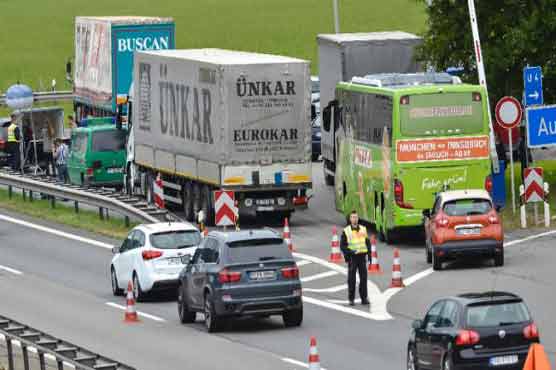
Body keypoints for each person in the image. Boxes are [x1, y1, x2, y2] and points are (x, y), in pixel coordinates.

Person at [340, 210, 372, 306]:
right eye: (353, 217)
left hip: (362, 257)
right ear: (350, 219)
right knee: (352, 279)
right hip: (352, 258)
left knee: (364, 279)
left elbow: (367, 242)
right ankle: (351, 299)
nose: (355, 219)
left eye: (356, 217)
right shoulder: (346, 231)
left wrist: (369, 254)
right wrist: (349, 253)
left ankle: (364, 298)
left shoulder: (363, 229)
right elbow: (342, 246)